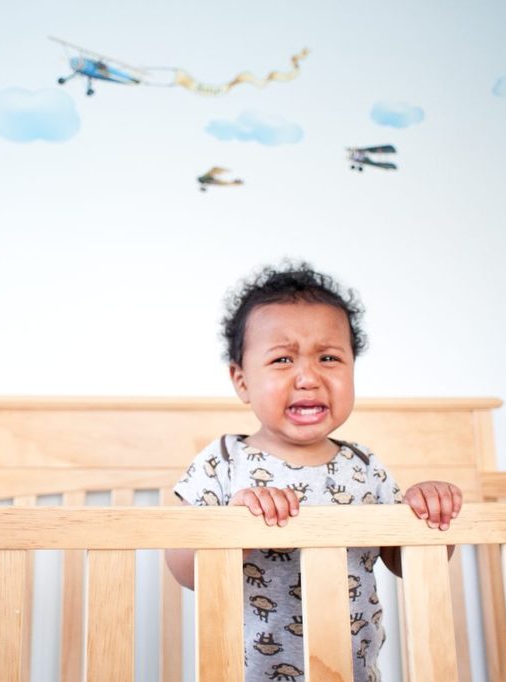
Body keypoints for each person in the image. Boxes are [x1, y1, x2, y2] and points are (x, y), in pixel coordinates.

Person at [165, 261, 462, 682]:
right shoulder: (223, 461)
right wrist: (231, 527)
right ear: (242, 380)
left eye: (329, 357)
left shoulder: (364, 466)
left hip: (352, 672)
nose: (308, 377)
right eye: (283, 359)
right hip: (245, 673)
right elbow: (182, 567)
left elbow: (407, 560)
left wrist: (428, 513)